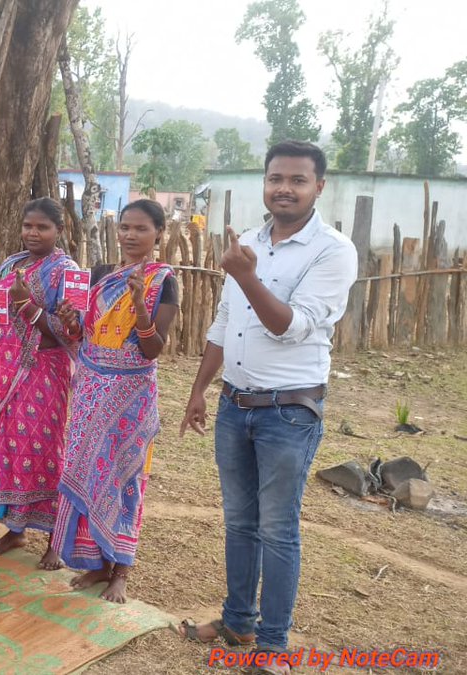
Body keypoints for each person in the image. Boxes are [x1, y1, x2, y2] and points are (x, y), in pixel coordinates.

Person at [177, 140, 357, 672]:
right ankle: (237, 622)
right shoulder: (250, 241)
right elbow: (222, 324)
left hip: (289, 411)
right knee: (239, 521)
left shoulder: (333, 250)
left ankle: (273, 647)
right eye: (276, 177)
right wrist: (199, 389)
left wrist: (246, 275)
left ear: (318, 187)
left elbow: (291, 325)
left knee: (278, 528)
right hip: (234, 404)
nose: (284, 188)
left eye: (297, 180)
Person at [50, 199, 179, 603]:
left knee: (125, 478)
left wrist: (140, 304)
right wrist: (70, 318)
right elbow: (81, 335)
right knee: (89, 472)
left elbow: (153, 348)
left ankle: (121, 568)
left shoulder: (163, 281)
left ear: (158, 233)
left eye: (140, 228)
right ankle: (96, 565)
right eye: (124, 227)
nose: (130, 235)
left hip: (130, 396)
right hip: (90, 389)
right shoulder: (103, 276)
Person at [0, 197, 80, 569]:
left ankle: (55, 540)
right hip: (0, 373)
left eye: (42, 227)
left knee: (44, 453)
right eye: (28, 226)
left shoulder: (67, 271)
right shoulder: (11, 264)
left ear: (59, 230)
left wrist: (27, 305)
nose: (33, 233)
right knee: (7, 449)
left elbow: (68, 334)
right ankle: (16, 529)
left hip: (40, 375)